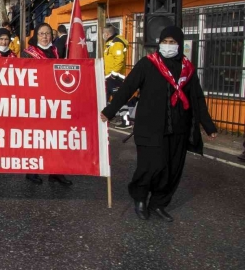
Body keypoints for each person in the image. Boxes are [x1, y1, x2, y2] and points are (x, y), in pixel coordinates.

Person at [101, 26, 217, 222]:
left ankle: (158, 203)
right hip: (150, 127)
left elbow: (197, 98)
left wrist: (208, 125)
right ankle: (139, 198)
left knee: (172, 170)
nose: (168, 46)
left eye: (173, 43)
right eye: (166, 42)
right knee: (151, 166)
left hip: (178, 128)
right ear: (160, 43)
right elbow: (128, 87)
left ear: (179, 45)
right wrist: (109, 111)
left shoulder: (187, 68)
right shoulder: (148, 64)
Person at [22, 24, 73, 186]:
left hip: (55, 100)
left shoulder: (57, 51)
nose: (45, 36)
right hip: (36, 101)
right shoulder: (27, 54)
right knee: (36, 138)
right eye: (42, 34)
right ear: (36, 35)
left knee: (57, 138)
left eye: (48, 34)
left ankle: (56, 171)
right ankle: (32, 170)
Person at [102, 24, 131, 128]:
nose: (103, 36)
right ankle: (109, 117)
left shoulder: (116, 43)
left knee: (117, 98)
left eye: (103, 33)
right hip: (110, 76)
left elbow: (119, 60)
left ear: (107, 33)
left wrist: (113, 75)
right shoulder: (110, 43)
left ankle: (125, 120)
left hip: (115, 77)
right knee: (109, 98)